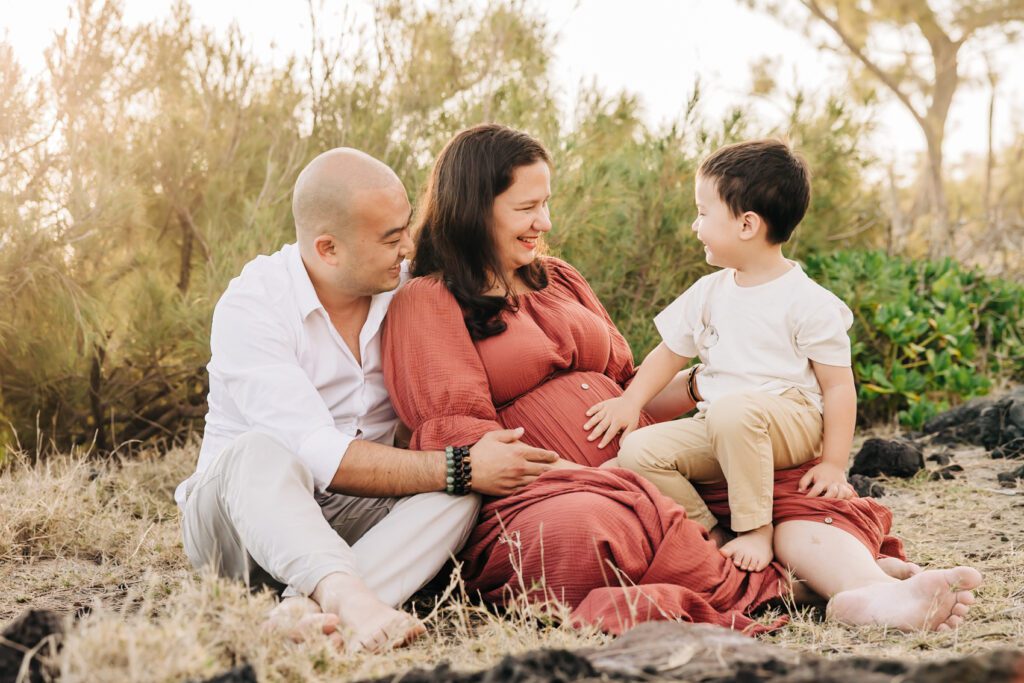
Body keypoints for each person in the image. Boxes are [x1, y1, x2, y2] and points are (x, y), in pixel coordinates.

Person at [382, 123, 982, 636]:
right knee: (589, 528)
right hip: (552, 490)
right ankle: (796, 583)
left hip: (654, 459)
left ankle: (863, 591)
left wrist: (705, 388)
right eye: (526, 208)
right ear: (472, 207)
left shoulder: (557, 278)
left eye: (547, 201)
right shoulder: (429, 302)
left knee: (781, 476)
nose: (545, 220)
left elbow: (628, 382)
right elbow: (462, 439)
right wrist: (589, 474)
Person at [176, 147, 562, 653]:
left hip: (353, 518)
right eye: (390, 238)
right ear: (328, 249)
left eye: (406, 228)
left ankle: (302, 611)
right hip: (241, 526)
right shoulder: (255, 305)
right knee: (259, 450)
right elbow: (318, 454)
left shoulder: (409, 293)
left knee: (458, 494)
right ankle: (346, 597)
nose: (408, 247)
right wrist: (462, 465)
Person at [586, 139, 856, 572]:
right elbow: (669, 353)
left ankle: (757, 529)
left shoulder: (809, 301)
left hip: (790, 421)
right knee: (639, 451)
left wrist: (834, 465)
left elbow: (839, 387)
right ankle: (712, 532)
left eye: (703, 212)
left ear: (747, 225)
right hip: (720, 425)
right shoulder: (709, 293)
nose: (695, 226)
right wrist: (630, 402)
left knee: (733, 413)